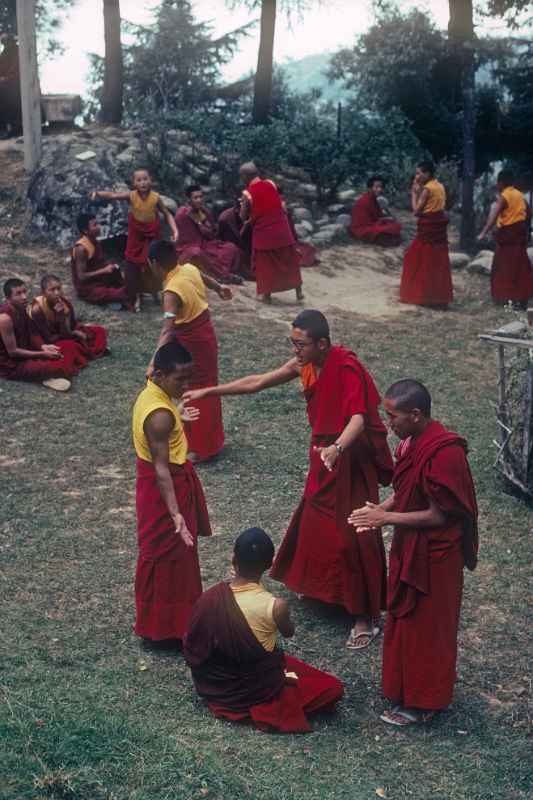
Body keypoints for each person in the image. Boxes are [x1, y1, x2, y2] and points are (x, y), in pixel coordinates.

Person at [184, 310, 393, 649]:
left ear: (322, 344)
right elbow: (258, 382)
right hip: (323, 456)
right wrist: (209, 392)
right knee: (315, 524)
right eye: (292, 343)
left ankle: (364, 616)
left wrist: (337, 448)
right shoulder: (304, 365)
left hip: (349, 457)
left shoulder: (346, 366)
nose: (295, 351)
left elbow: (358, 418)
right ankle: (322, 590)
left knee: (353, 533)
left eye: (301, 344)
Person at [349, 379, 478, 727]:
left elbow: (439, 515)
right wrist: (380, 508)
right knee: (405, 620)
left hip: (437, 557)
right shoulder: (410, 443)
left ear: (416, 415)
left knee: (429, 628)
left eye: (393, 416)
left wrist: (385, 519)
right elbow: (406, 489)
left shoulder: (445, 452)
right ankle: (404, 687)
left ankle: (425, 702)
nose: (388, 423)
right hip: (411, 544)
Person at [184, 527, 344, 733]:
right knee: (333, 688)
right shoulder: (276, 605)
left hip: (214, 686)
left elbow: (193, 647)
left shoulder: (211, 597)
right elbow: (288, 632)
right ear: (269, 564)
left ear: (233, 559)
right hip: (258, 685)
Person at [132, 340, 212, 647]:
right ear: (160, 375)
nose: (186, 385)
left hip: (163, 482)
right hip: (165, 489)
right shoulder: (159, 416)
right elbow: (161, 469)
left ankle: (169, 624)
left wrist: (178, 416)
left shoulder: (153, 393)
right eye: (180, 379)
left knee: (175, 556)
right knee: (170, 555)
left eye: (189, 378)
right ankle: (167, 628)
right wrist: (176, 513)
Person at [147, 240, 231, 462]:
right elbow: (205, 278)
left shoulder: (171, 291)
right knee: (207, 386)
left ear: (155, 264)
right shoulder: (189, 269)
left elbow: (167, 330)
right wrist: (219, 288)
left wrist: (154, 361)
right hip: (206, 336)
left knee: (195, 389)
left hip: (193, 342)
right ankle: (208, 441)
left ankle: (201, 448)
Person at [91, 168, 178, 312]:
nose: (143, 183)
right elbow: (113, 195)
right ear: (134, 183)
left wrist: (175, 230)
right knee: (133, 266)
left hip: (152, 236)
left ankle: (155, 291)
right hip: (136, 237)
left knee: (152, 265)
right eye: (139, 180)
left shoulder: (155, 198)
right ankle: (136, 295)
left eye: (145, 179)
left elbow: (167, 214)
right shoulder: (131, 196)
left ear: (151, 181)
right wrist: (98, 193)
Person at [239, 162, 303, 304]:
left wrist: (243, 206)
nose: (241, 178)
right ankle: (299, 292)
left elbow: (242, 217)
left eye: (241, 176)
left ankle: (267, 296)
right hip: (282, 228)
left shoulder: (247, 193)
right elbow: (279, 205)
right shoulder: (270, 183)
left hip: (264, 233)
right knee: (289, 259)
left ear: (246, 176)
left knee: (265, 264)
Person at [0, 278, 71, 391]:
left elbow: (32, 333)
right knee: (54, 366)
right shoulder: (4, 318)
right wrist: (42, 354)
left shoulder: (21, 308)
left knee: (62, 350)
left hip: (25, 350)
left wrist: (43, 346)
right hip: (11, 364)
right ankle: (44, 377)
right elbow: (13, 352)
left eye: (24, 291)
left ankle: (43, 374)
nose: (24, 297)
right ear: (8, 298)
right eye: (18, 294)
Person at [399, 161, 453, 308]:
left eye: (419, 173)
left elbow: (416, 211)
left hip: (428, 226)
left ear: (427, 174)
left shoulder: (427, 189)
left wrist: (413, 193)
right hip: (438, 226)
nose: (416, 176)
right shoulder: (440, 186)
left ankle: (418, 295)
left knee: (414, 258)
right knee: (437, 260)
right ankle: (438, 297)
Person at [478, 170, 533, 307]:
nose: (497, 185)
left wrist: (483, 233)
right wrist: (526, 230)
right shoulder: (520, 195)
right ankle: (521, 297)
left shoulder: (504, 196)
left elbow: (493, 216)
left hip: (507, 238)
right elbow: (529, 213)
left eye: (497, 182)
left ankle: (504, 297)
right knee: (520, 266)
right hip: (518, 236)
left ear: (501, 183)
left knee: (502, 267)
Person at [30, 274, 109, 364]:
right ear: (43, 292)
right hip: (48, 342)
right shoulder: (38, 310)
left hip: (63, 335)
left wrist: (63, 318)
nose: (57, 293)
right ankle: (90, 351)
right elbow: (48, 339)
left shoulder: (64, 304)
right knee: (71, 345)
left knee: (99, 330)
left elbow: (70, 328)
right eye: (52, 290)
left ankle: (88, 350)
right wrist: (72, 333)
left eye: (59, 288)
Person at [175, 186, 243, 284]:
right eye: (195, 198)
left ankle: (223, 273)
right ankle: (223, 275)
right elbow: (183, 240)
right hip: (188, 247)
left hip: (205, 244)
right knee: (196, 253)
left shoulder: (202, 211)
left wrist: (202, 226)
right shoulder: (182, 214)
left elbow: (212, 232)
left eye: (200, 197)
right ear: (188, 199)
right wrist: (196, 222)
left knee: (230, 248)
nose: (199, 200)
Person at [71, 214, 129, 309]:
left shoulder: (94, 241)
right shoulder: (81, 249)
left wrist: (109, 268)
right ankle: (117, 296)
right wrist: (104, 270)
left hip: (98, 279)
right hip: (87, 287)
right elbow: (81, 277)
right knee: (119, 292)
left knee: (115, 269)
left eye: (98, 224)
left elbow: (99, 263)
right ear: (85, 230)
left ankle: (117, 295)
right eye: (95, 225)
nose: (99, 227)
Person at [350, 176, 402, 247]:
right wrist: (384, 220)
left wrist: (386, 219)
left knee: (394, 225)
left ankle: (389, 238)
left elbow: (378, 215)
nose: (379, 189)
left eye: (381, 187)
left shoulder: (373, 198)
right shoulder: (365, 200)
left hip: (372, 224)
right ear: (370, 188)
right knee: (389, 228)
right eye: (376, 187)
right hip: (362, 229)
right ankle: (388, 238)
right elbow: (368, 222)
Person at [217, 199, 253, 277]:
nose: (247, 213)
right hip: (229, 246)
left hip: (241, 244)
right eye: (245, 211)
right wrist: (245, 226)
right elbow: (234, 241)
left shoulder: (244, 214)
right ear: (237, 210)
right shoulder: (226, 219)